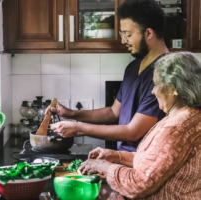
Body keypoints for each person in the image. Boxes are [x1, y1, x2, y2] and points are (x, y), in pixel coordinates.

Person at [47, 0, 167, 152]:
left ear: (149, 33)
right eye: (122, 34)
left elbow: (133, 131)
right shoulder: (133, 67)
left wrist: (78, 128)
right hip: (124, 160)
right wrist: (70, 114)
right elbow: (113, 112)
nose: (123, 41)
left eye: (128, 35)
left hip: (145, 164)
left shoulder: (167, 73)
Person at [79, 52, 201, 199]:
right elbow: (156, 162)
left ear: (172, 88)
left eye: (156, 85)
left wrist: (102, 167)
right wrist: (117, 155)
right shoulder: (190, 116)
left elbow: (139, 183)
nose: (153, 91)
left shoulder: (177, 127)